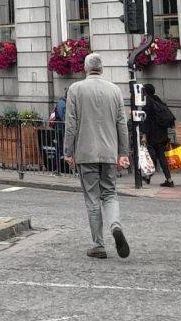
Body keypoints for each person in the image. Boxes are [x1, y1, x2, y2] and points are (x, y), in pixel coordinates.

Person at [61, 52, 131, 261]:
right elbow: (122, 124)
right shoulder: (114, 90)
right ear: (102, 69)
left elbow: (71, 123)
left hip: (86, 152)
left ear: (85, 69)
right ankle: (115, 225)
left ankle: (98, 244)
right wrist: (123, 153)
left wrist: (68, 152)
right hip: (109, 152)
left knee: (92, 198)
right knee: (110, 193)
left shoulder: (75, 89)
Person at [142, 83, 177, 187]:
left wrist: (144, 135)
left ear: (145, 92)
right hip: (162, 133)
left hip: (153, 134)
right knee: (161, 156)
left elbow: (146, 120)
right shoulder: (158, 100)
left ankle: (148, 176)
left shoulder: (147, 102)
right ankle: (169, 179)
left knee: (152, 156)